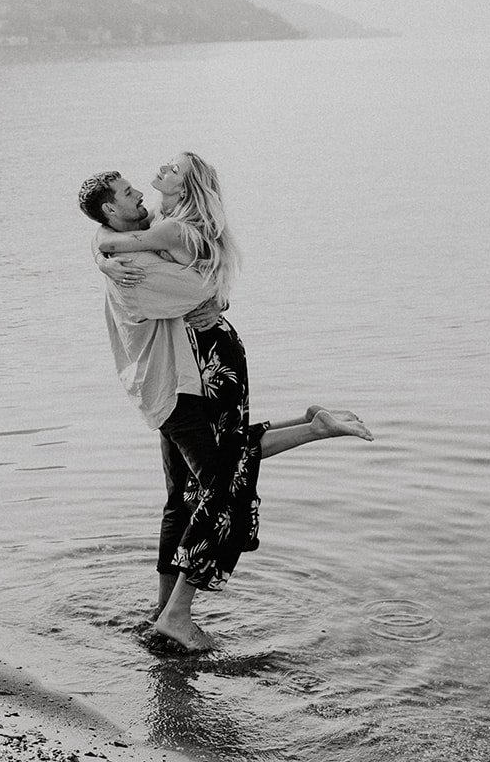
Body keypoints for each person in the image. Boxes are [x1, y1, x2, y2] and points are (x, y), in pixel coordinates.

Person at [79, 156, 372, 652]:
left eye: (156, 179)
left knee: (213, 477)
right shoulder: (148, 245)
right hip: (176, 381)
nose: (144, 193)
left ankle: (171, 610)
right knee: (208, 484)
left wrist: (104, 249)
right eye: (130, 193)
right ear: (110, 207)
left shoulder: (165, 237)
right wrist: (102, 250)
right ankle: (171, 610)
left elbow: (199, 291)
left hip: (191, 373)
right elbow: (193, 290)